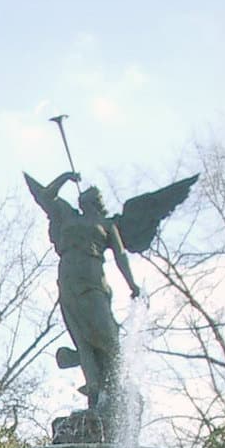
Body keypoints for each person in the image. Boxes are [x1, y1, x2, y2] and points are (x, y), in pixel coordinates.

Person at [24, 171, 139, 413]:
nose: (84, 199)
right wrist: (66, 177)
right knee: (82, 338)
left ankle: (116, 387)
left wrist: (131, 284)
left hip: (93, 280)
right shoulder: (67, 215)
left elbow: (120, 256)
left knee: (108, 336)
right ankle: (95, 390)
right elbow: (45, 195)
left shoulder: (107, 226)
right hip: (68, 279)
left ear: (97, 202)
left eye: (90, 196)